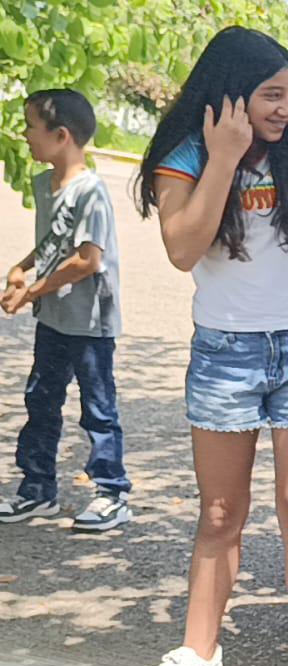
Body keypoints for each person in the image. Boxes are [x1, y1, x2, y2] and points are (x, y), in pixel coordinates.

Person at [121, 27, 288, 666]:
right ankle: (200, 653)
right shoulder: (187, 154)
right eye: (271, 95)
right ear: (231, 94)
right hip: (225, 351)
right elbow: (182, 248)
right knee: (221, 514)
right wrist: (223, 158)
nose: (286, 108)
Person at [0, 89, 132, 533]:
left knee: (97, 407)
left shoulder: (90, 191)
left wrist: (31, 291)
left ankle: (111, 492)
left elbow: (87, 259)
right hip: (54, 318)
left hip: (90, 322)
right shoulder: (44, 185)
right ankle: (38, 490)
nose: (24, 135)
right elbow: (55, 243)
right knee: (41, 399)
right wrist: (21, 267)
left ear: (61, 135)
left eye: (31, 127)